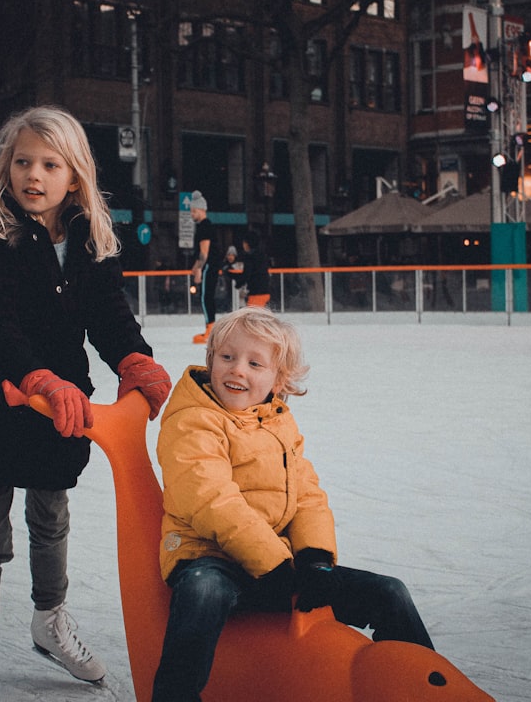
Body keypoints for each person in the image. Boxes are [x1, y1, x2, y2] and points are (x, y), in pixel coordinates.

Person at [0, 105, 172, 702]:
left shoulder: (91, 238)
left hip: (62, 405)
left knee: (50, 518)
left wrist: (134, 360)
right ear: (6, 168)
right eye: (22, 162)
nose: (33, 175)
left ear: (75, 175)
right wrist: (38, 378)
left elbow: (108, 314)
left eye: (49, 164)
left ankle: (50, 620)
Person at [151, 306, 434, 702]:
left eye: (254, 363)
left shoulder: (278, 422)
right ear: (210, 358)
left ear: (278, 379)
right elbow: (211, 499)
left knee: (390, 591)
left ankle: (419, 688)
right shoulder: (193, 420)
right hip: (209, 555)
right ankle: (174, 695)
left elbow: (306, 495)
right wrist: (273, 565)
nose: (237, 371)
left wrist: (316, 560)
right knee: (203, 591)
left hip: (276, 561)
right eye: (227, 357)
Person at [189, 190, 222, 344]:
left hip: (209, 265)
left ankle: (210, 331)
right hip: (210, 265)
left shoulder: (204, 226)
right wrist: (196, 267)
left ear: (201, 210)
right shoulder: (205, 226)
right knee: (206, 297)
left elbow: (204, 252)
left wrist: (199, 269)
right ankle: (210, 329)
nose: (191, 214)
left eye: (193, 211)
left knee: (205, 297)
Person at [234, 230, 270, 308]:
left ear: (247, 244)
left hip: (256, 293)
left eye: (244, 243)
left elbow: (247, 273)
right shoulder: (262, 255)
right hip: (265, 291)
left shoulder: (249, 256)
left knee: (254, 317)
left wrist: (238, 283)